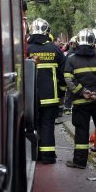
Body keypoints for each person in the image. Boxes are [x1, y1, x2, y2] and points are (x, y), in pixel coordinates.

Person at [64, 28, 96, 169]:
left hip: (81, 102)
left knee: (81, 131)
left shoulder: (71, 59)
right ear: (93, 42)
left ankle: (80, 162)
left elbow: (69, 79)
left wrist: (82, 92)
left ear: (78, 42)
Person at [27, 18, 66, 164]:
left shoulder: (26, 48)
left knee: (32, 125)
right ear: (47, 31)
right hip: (51, 96)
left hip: (30, 98)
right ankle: (48, 156)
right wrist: (62, 92)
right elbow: (63, 74)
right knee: (48, 125)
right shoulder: (54, 49)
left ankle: (34, 155)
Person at [63, 36, 78, 115]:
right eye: (73, 43)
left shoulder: (78, 51)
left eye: (75, 43)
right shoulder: (69, 53)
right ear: (70, 44)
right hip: (71, 74)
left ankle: (74, 106)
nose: (74, 45)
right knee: (70, 91)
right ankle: (67, 107)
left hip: (77, 74)